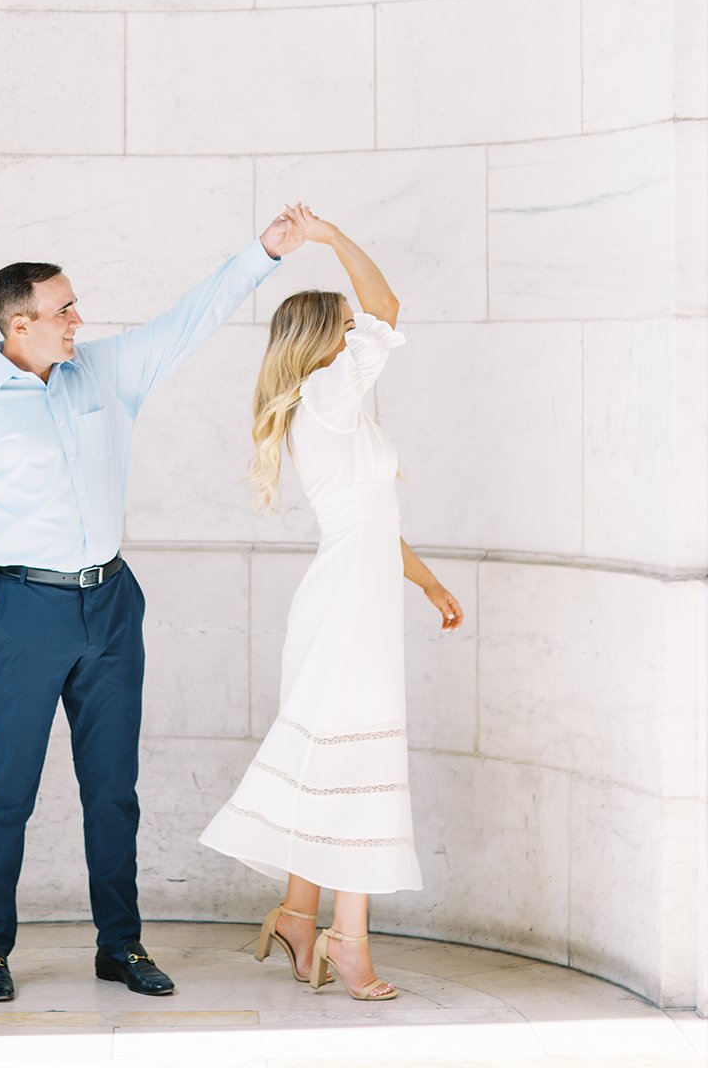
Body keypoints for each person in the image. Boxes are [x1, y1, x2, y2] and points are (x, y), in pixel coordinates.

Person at [0, 210, 306, 1005]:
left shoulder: (106, 371)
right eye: (64, 309)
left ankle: (121, 944)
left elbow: (191, 317)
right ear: (20, 323)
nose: (80, 320)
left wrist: (265, 252)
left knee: (113, 787)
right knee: (5, 788)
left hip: (110, 605)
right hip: (20, 611)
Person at [199, 206, 463, 1002]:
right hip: (349, 597)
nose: (361, 333)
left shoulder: (330, 403)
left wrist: (428, 582)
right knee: (357, 755)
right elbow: (388, 310)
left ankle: (298, 915)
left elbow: (372, 521)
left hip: (358, 585)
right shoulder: (328, 392)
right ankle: (350, 943)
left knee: (337, 755)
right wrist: (333, 237)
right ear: (326, 338)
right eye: (346, 325)